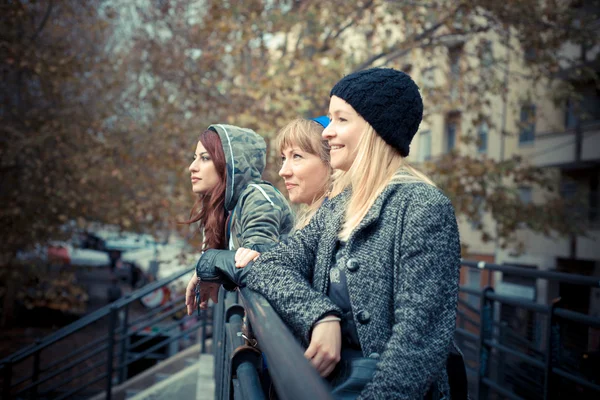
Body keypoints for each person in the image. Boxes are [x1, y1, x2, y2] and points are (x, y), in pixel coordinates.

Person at [194, 68, 461, 399]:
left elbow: (416, 348)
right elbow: (270, 265)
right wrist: (320, 315)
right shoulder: (339, 208)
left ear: (376, 128)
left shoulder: (423, 206)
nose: (328, 132)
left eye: (341, 120)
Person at [183, 124, 294, 315]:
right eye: (195, 158)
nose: (192, 167)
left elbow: (257, 265)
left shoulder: (258, 197)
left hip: (286, 333)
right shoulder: (227, 209)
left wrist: (210, 263)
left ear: (230, 164)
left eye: (205, 158)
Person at [233, 116, 332, 267]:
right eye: (283, 158)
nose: (283, 171)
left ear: (332, 160)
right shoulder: (306, 226)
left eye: (297, 156)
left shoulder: (337, 229)